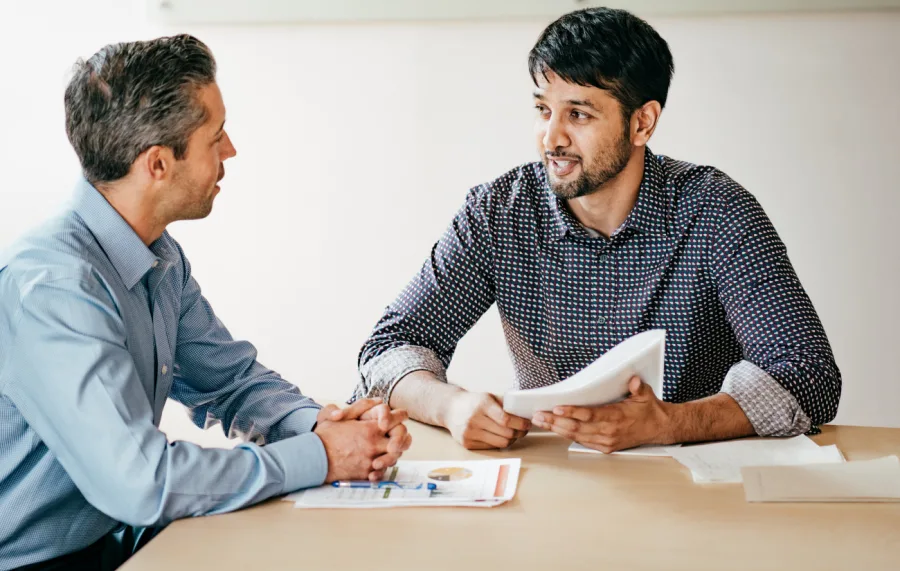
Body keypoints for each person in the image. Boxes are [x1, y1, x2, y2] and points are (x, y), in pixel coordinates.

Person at [0, 35, 410, 570]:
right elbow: (141, 483)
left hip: (108, 542)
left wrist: (323, 427)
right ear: (158, 164)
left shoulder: (157, 255)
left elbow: (231, 380)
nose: (231, 150)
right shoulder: (54, 287)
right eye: (215, 137)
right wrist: (323, 456)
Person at [355, 7, 841, 452]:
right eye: (543, 109)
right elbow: (388, 348)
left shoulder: (716, 209)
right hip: (554, 481)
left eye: (579, 114)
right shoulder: (497, 213)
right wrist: (449, 405)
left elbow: (808, 375)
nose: (551, 138)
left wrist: (670, 423)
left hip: (694, 482)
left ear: (643, 123)